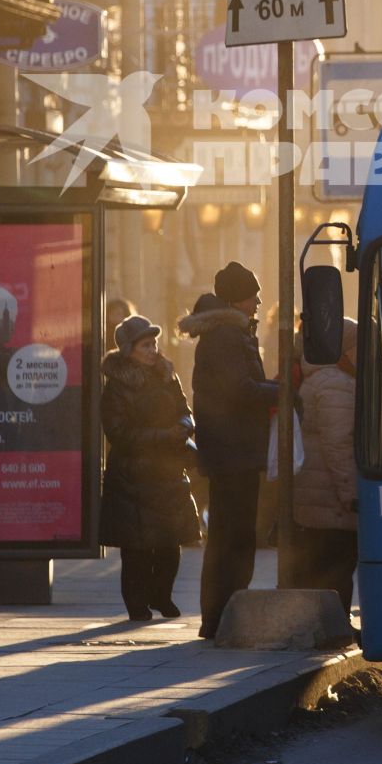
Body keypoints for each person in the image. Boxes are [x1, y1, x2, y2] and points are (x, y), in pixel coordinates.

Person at [182, 263, 277, 639]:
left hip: (231, 450)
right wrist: (280, 391)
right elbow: (241, 388)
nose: (258, 301)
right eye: (252, 294)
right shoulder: (226, 336)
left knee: (230, 535)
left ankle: (222, 615)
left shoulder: (230, 333)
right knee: (233, 536)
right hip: (232, 450)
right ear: (237, 298)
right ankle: (222, 616)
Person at [100, 315, 201, 621]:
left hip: (168, 472)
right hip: (133, 477)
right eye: (145, 344)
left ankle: (161, 594)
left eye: (154, 343)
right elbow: (118, 433)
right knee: (137, 549)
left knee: (171, 544)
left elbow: (185, 410)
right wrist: (162, 436)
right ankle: (137, 603)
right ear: (129, 349)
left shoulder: (167, 376)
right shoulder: (116, 387)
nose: (152, 349)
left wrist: (184, 427)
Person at [291, 317, 359, 621]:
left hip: (315, 495)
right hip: (330, 499)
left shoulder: (320, 377)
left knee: (321, 569)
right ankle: (335, 627)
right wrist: (351, 493)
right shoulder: (336, 383)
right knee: (338, 569)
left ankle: (325, 626)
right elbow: (339, 445)